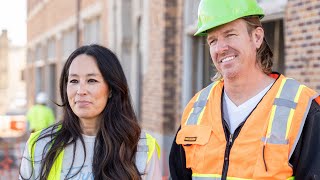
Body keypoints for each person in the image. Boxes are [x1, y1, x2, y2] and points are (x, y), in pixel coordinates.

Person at [169, 0, 320, 179]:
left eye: (230, 34)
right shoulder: (197, 108)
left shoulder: (303, 108)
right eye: (213, 40)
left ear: (256, 37)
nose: (221, 48)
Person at [19, 44, 161, 180]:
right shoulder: (40, 145)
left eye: (91, 80)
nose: (81, 91)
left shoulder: (142, 148)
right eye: (74, 81)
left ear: (111, 88)